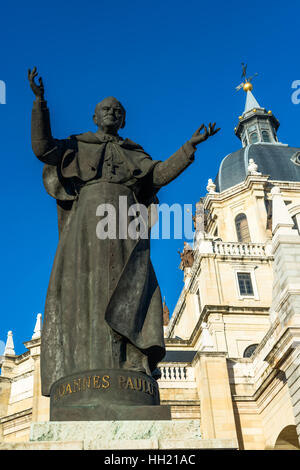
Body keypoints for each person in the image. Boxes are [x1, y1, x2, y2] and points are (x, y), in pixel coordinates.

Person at [28, 67, 220, 396]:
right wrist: (40, 103)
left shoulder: (134, 152)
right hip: (88, 220)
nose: (112, 113)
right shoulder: (78, 143)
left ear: (124, 119)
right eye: (106, 109)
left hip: (126, 220)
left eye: (118, 110)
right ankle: (87, 365)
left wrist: (189, 147)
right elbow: (42, 147)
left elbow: (157, 175)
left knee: (135, 281)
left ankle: (133, 358)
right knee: (87, 288)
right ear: (94, 116)